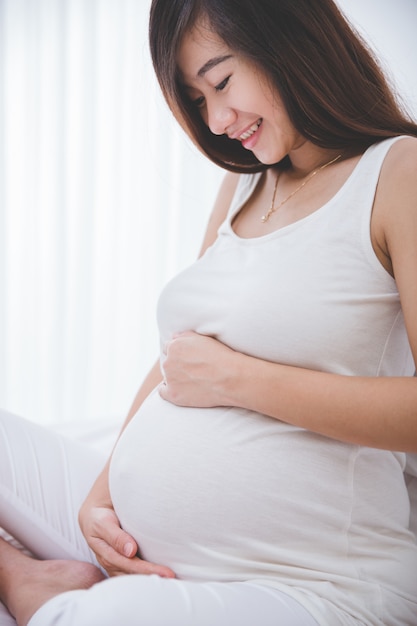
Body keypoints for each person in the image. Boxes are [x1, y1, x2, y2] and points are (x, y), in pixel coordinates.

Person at [1, 0, 417, 624]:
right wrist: (100, 497)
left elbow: (213, 370)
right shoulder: (248, 182)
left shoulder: (399, 174)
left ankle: (41, 598)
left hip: (313, 581)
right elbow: (182, 357)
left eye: (221, 81)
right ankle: (22, 574)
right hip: (153, 548)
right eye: (197, 100)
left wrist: (239, 380)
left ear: (291, 42)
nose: (218, 120)